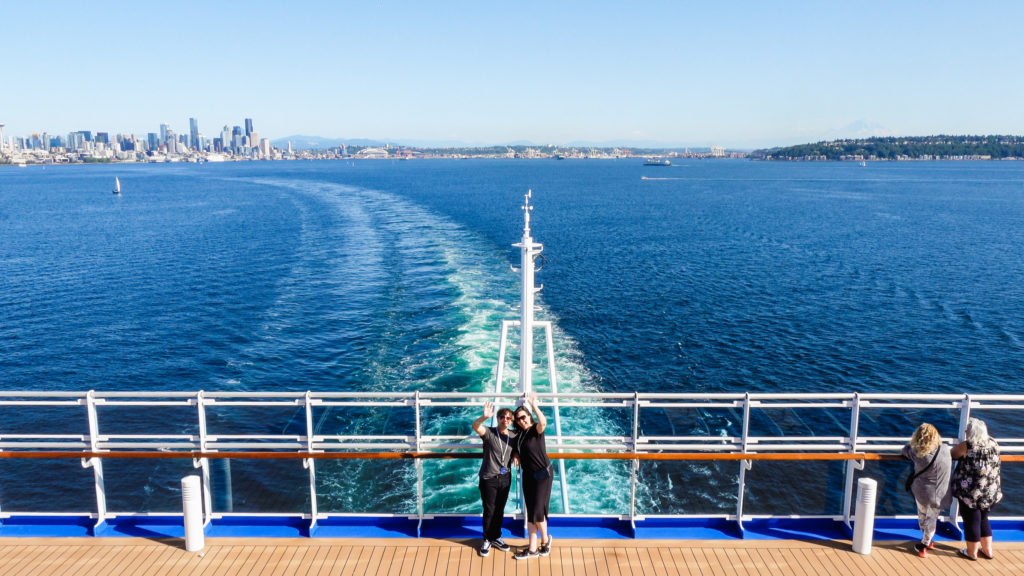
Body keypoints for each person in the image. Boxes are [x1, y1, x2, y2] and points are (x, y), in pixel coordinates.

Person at [951, 417, 1002, 561]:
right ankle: (988, 551)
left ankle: (971, 552)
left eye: (967, 429)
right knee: (984, 518)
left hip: (970, 492)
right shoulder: (993, 443)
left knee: (971, 520)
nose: (965, 431)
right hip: (990, 490)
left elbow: (952, 455)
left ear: (971, 433)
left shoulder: (967, 446)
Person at [512, 391, 553, 560]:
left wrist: (534, 404)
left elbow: (543, 422)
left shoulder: (536, 430)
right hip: (528, 476)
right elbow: (518, 448)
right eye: (519, 419)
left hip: (542, 475)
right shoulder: (520, 435)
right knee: (532, 512)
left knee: (537, 511)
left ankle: (538, 546)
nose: (522, 421)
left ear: (529, 416)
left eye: (524, 417)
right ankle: (540, 544)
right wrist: (516, 454)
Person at [472, 401, 517, 557]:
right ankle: (487, 539)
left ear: (512, 421)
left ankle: (496, 536)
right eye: (502, 417)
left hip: (505, 478)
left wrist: (517, 454)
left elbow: (522, 446)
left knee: (500, 509)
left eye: (509, 418)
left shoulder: (514, 436)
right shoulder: (490, 433)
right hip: (489, 478)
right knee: (489, 510)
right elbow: (475, 426)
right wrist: (484, 417)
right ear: (498, 419)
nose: (506, 420)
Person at [901, 423, 952, 558]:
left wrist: (913, 443)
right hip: (941, 492)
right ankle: (928, 540)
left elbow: (905, 450)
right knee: (933, 517)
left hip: (924, 493)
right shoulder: (945, 449)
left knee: (923, 517)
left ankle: (924, 544)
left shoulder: (918, 454)